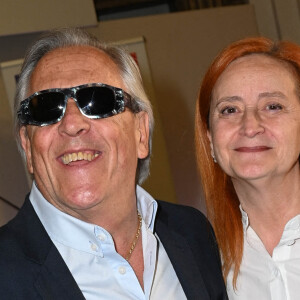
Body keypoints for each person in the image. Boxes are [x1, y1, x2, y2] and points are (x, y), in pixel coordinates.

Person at [0, 28, 227, 299]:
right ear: (27, 143)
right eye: (45, 107)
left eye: (98, 100)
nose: (72, 124)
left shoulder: (193, 233)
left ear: (141, 133)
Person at [195, 36, 300, 299]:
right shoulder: (199, 268)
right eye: (229, 110)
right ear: (210, 138)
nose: (250, 126)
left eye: (273, 106)